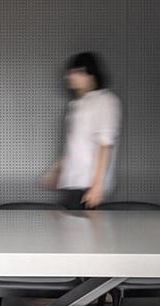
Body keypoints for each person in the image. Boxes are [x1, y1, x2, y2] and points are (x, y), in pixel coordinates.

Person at [39, 51, 121, 209]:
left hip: (88, 187)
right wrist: (56, 171)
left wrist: (97, 186)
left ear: (91, 75)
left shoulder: (105, 100)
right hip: (72, 184)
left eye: (77, 71)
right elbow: (75, 147)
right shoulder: (76, 105)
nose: (70, 76)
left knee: (84, 224)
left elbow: (105, 144)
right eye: (70, 72)